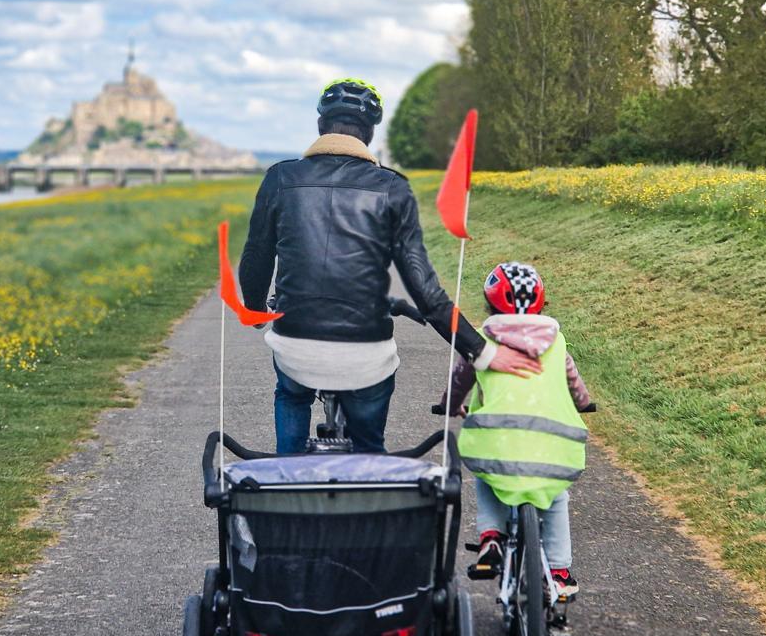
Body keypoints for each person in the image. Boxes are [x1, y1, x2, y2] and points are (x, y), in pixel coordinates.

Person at [238, 77, 541, 455]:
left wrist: (256, 310)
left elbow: (256, 257)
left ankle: (284, 476)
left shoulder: (280, 178)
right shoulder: (392, 187)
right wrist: (483, 353)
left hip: (296, 343)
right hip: (366, 355)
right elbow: (426, 293)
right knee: (369, 446)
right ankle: (370, 479)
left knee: (292, 391)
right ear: (368, 133)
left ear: (320, 126)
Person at [457, 262, 593, 599]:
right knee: (556, 497)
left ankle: (491, 537)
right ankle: (559, 572)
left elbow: (460, 378)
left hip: (498, 440)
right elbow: (574, 383)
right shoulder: (556, 342)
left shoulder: (483, 342)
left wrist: (451, 403)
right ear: (541, 304)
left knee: (487, 476)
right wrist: (584, 402)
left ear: (489, 305)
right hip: (552, 443)